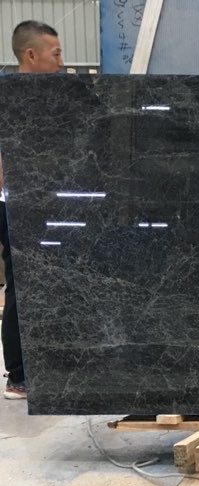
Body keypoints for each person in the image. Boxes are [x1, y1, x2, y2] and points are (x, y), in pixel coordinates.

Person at [0, 21, 64, 399]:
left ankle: (45, 366)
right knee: (22, 285)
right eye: (55, 54)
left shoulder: (49, 96)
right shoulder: (7, 95)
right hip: (15, 204)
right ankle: (19, 375)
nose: (61, 61)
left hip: (46, 202)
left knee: (47, 283)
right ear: (31, 55)